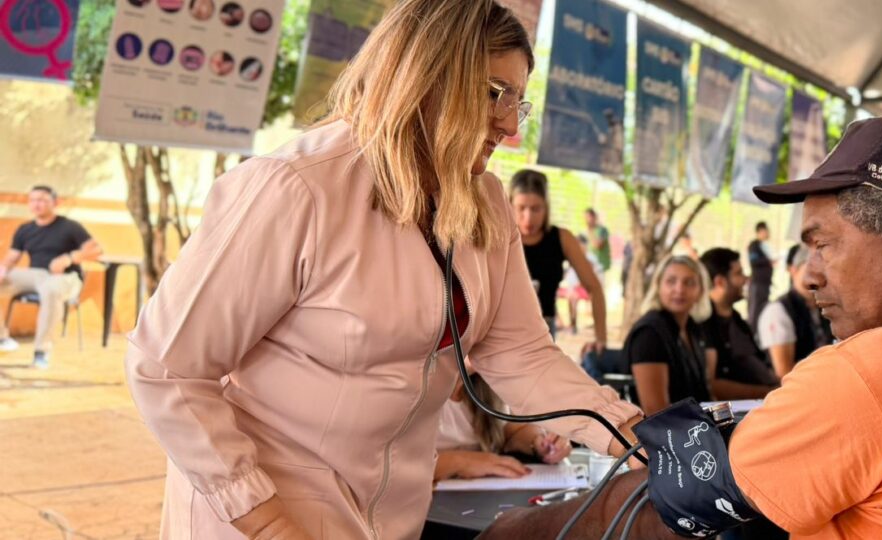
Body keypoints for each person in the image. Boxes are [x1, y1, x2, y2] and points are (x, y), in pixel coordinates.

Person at [123, 3, 643, 538]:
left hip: (390, 519)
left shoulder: (484, 199)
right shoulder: (295, 187)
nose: (510, 124)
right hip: (260, 518)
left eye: (518, 102)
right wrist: (267, 521)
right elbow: (166, 368)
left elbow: (522, 354)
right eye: (494, 93)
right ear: (427, 74)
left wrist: (636, 435)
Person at [482, 117, 882, 539]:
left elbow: (671, 509)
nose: (808, 276)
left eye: (823, 246)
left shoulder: (867, 378)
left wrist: (507, 533)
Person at [0, 186, 102, 368]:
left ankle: (42, 352)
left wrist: (69, 258)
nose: (36, 204)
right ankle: (2, 339)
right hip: (35, 275)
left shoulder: (70, 226)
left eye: (42, 199)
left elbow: (96, 249)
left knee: (50, 290)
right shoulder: (25, 229)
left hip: (66, 278)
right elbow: (11, 257)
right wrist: (2, 269)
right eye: (33, 200)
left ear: (55, 202)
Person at [510, 169, 607, 351]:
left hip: (543, 330)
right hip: (500, 330)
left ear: (546, 208)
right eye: (521, 208)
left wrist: (601, 338)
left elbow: (594, 287)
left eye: (536, 208)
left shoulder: (562, 238)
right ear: (509, 205)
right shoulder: (497, 236)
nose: (528, 217)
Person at [434, 371, 571, 482]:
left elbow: (509, 431)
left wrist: (538, 442)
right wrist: (460, 462)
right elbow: (412, 466)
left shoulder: (488, 380)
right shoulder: (417, 386)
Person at [623, 256, 714, 415]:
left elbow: (705, 394)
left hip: (695, 427)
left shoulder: (693, 329)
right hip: (663, 435)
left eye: (689, 282)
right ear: (658, 286)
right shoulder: (649, 334)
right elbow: (656, 410)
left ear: (701, 290)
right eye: (671, 281)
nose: (679, 289)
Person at [699, 248, 778, 400]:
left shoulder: (737, 319)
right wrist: (769, 392)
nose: (745, 279)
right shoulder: (703, 325)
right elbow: (712, 385)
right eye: (738, 273)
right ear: (720, 282)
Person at [757, 245, 833, 378]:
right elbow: (784, 374)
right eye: (811, 270)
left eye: (823, 271)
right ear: (793, 270)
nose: (817, 279)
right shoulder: (778, 311)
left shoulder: (824, 306)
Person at [746, 222, 776, 324]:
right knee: (755, 311)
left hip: (765, 283)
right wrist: (768, 261)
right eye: (766, 231)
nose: (768, 233)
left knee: (763, 308)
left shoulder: (765, 246)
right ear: (760, 231)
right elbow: (754, 261)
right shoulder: (754, 245)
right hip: (757, 283)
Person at [585, 208, 611, 275]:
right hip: (590, 265)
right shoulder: (586, 231)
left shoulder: (602, 230)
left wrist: (590, 232)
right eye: (585, 217)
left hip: (600, 266)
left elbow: (598, 245)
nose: (586, 220)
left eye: (588, 217)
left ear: (594, 217)